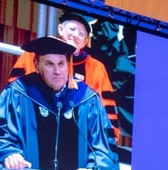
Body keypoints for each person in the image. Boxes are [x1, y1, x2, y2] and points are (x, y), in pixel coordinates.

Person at [0, 35, 120, 170]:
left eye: (61, 64)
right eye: (49, 64)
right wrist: (8, 153)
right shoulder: (19, 93)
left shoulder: (87, 99)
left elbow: (102, 145)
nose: (57, 71)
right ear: (37, 65)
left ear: (68, 65)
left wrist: (98, 169)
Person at [9, 11, 120, 141]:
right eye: (72, 29)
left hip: (75, 140)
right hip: (31, 130)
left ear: (85, 41)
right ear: (60, 29)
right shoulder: (34, 55)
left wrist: (109, 142)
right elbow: (14, 94)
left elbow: (106, 109)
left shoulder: (95, 68)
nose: (75, 35)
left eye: (81, 33)